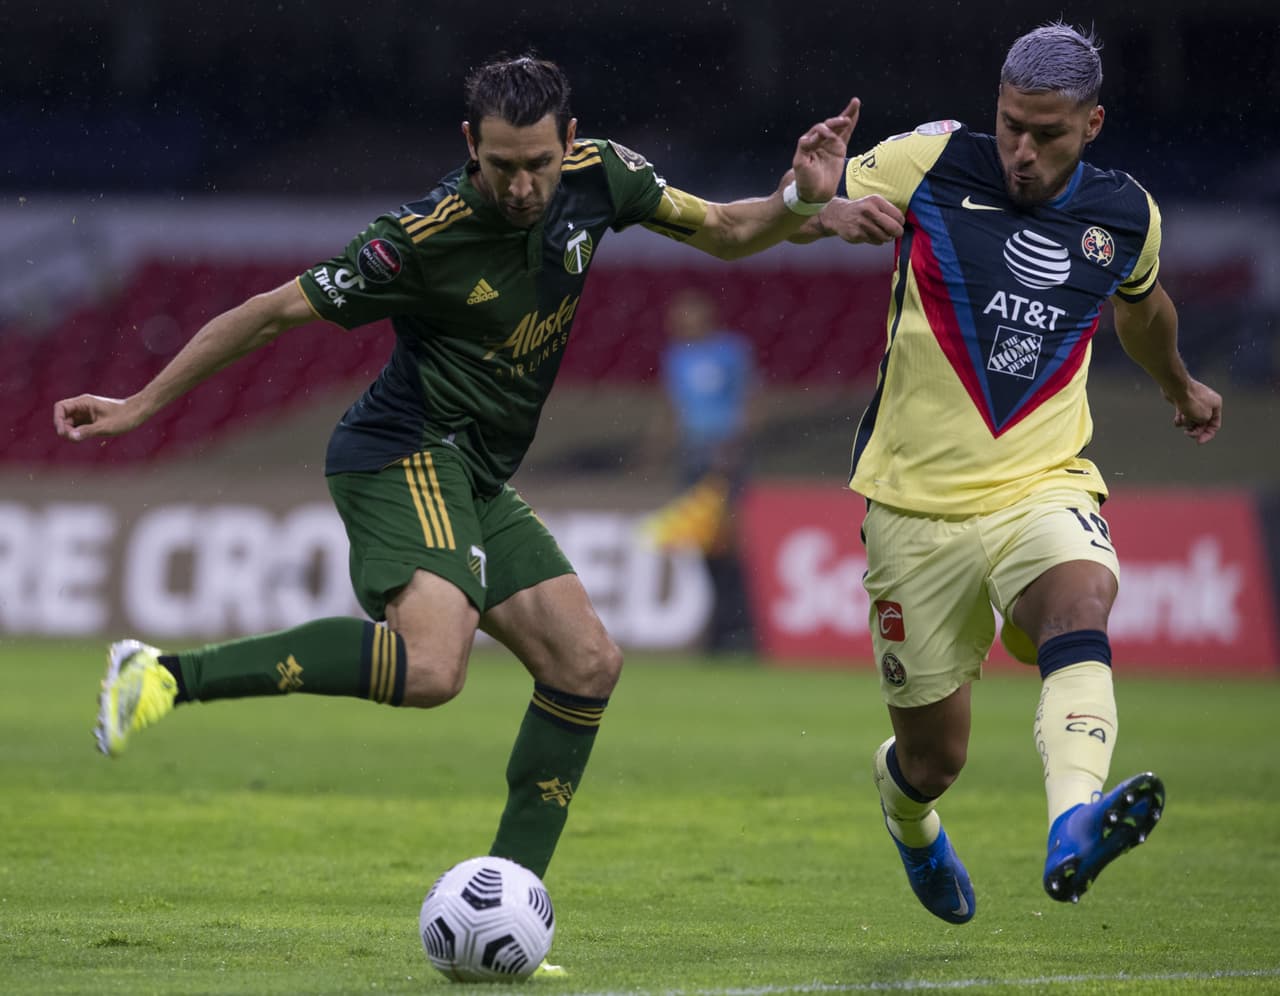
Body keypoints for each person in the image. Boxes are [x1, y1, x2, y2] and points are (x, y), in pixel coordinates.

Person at [53, 55, 858, 890]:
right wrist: (140, 404)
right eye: (501, 166)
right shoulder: (416, 241)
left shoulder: (602, 176)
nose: (520, 188)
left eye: (538, 166)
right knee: (433, 668)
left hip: (472, 472)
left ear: (570, 143)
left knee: (586, 664)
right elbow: (269, 314)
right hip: (401, 450)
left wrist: (802, 200)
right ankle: (162, 677)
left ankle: (507, 901)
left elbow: (730, 230)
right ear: (471, 144)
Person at [791, 22, 1221, 922]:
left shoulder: (1124, 213)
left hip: (1042, 481)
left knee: (1080, 603)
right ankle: (909, 821)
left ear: (1092, 124)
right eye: (1011, 124)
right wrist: (813, 202)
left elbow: (1141, 311)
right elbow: (798, 205)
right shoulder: (929, 162)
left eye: (1049, 133)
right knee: (932, 760)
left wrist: (1179, 385)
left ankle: (1073, 824)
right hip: (913, 509)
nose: (1023, 151)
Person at [647, 287, 757, 653]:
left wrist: (734, 449)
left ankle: (737, 630)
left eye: (685, 315)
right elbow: (672, 408)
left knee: (725, 544)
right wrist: (657, 453)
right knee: (702, 545)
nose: (677, 323)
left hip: (724, 462)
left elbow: (749, 401)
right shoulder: (674, 357)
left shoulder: (731, 352)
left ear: (705, 316)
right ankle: (720, 629)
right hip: (691, 460)